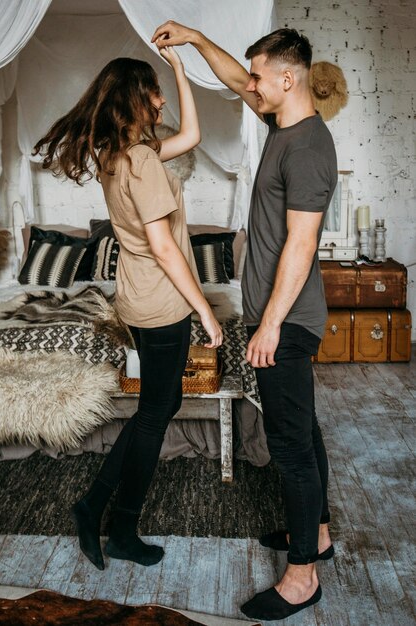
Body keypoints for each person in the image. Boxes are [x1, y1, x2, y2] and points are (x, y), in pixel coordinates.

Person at [152, 22, 337, 621]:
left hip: (286, 321)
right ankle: (322, 534)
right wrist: (197, 39)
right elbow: (236, 76)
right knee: (303, 429)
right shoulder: (282, 124)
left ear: (288, 79)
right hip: (278, 316)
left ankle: (303, 575)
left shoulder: (307, 148)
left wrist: (269, 325)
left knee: (289, 447)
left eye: (260, 78)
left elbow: (302, 245)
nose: (249, 86)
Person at [33, 47, 222, 570]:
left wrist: (184, 71)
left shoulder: (116, 155)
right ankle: (112, 520)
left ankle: (102, 512)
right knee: (155, 414)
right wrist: (203, 309)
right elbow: (164, 247)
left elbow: (192, 139)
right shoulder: (140, 161)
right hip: (163, 305)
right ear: (137, 99)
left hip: (137, 301)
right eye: (157, 90)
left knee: (156, 409)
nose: (163, 101)